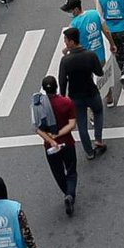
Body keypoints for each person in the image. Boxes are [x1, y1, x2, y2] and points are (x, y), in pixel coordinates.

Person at [57, 27, 107, 158]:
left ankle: (89, 152)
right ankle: (98, 139)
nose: (65, 43)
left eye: (66, 41)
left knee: (82, 124)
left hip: (75, 96)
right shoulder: (90, 55)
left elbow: (62, 81)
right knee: (98, 112)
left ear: (72, 42)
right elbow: (99, 72)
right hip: (91, 91)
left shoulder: (65, 60)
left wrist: (63, 96)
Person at [33, 75, 78, 213]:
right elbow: (72, 124)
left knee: (58, 173)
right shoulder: (66, 102)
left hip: (50, 147)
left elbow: (37, 129)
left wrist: (51, 140)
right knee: (71, 170)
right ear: (57, 87)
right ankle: (70, 194)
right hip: (67, 143)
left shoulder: (38, 105)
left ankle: (67, 193)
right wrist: (58, 134)